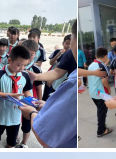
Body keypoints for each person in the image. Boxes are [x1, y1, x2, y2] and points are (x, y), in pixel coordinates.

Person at [18, 20, 78, 148]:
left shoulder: (73, 84)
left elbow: (45, 138)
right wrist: (36, 77)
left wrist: (31, 113)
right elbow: (57, 71)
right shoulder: (69, 57)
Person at [0, 45, 33, 148]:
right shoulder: (0, 74)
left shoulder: (24, 75)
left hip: (16, 116)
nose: (22, 68)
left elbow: (27, 91)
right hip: (0, 114)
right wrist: (11, 95)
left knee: (12, 140)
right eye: (19, 65)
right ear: (10, 60)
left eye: (25, 65)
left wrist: (32, 101)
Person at [88, 47, 112, 138]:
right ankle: (101, 131)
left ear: (96, 56)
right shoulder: (102, 66)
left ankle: (103, 126)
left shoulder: (91, 65)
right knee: (102, 112)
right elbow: (104, 80)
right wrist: (109, 89)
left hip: (93, 92)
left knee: (101, 110)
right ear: (105, 56)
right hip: (101, 93)